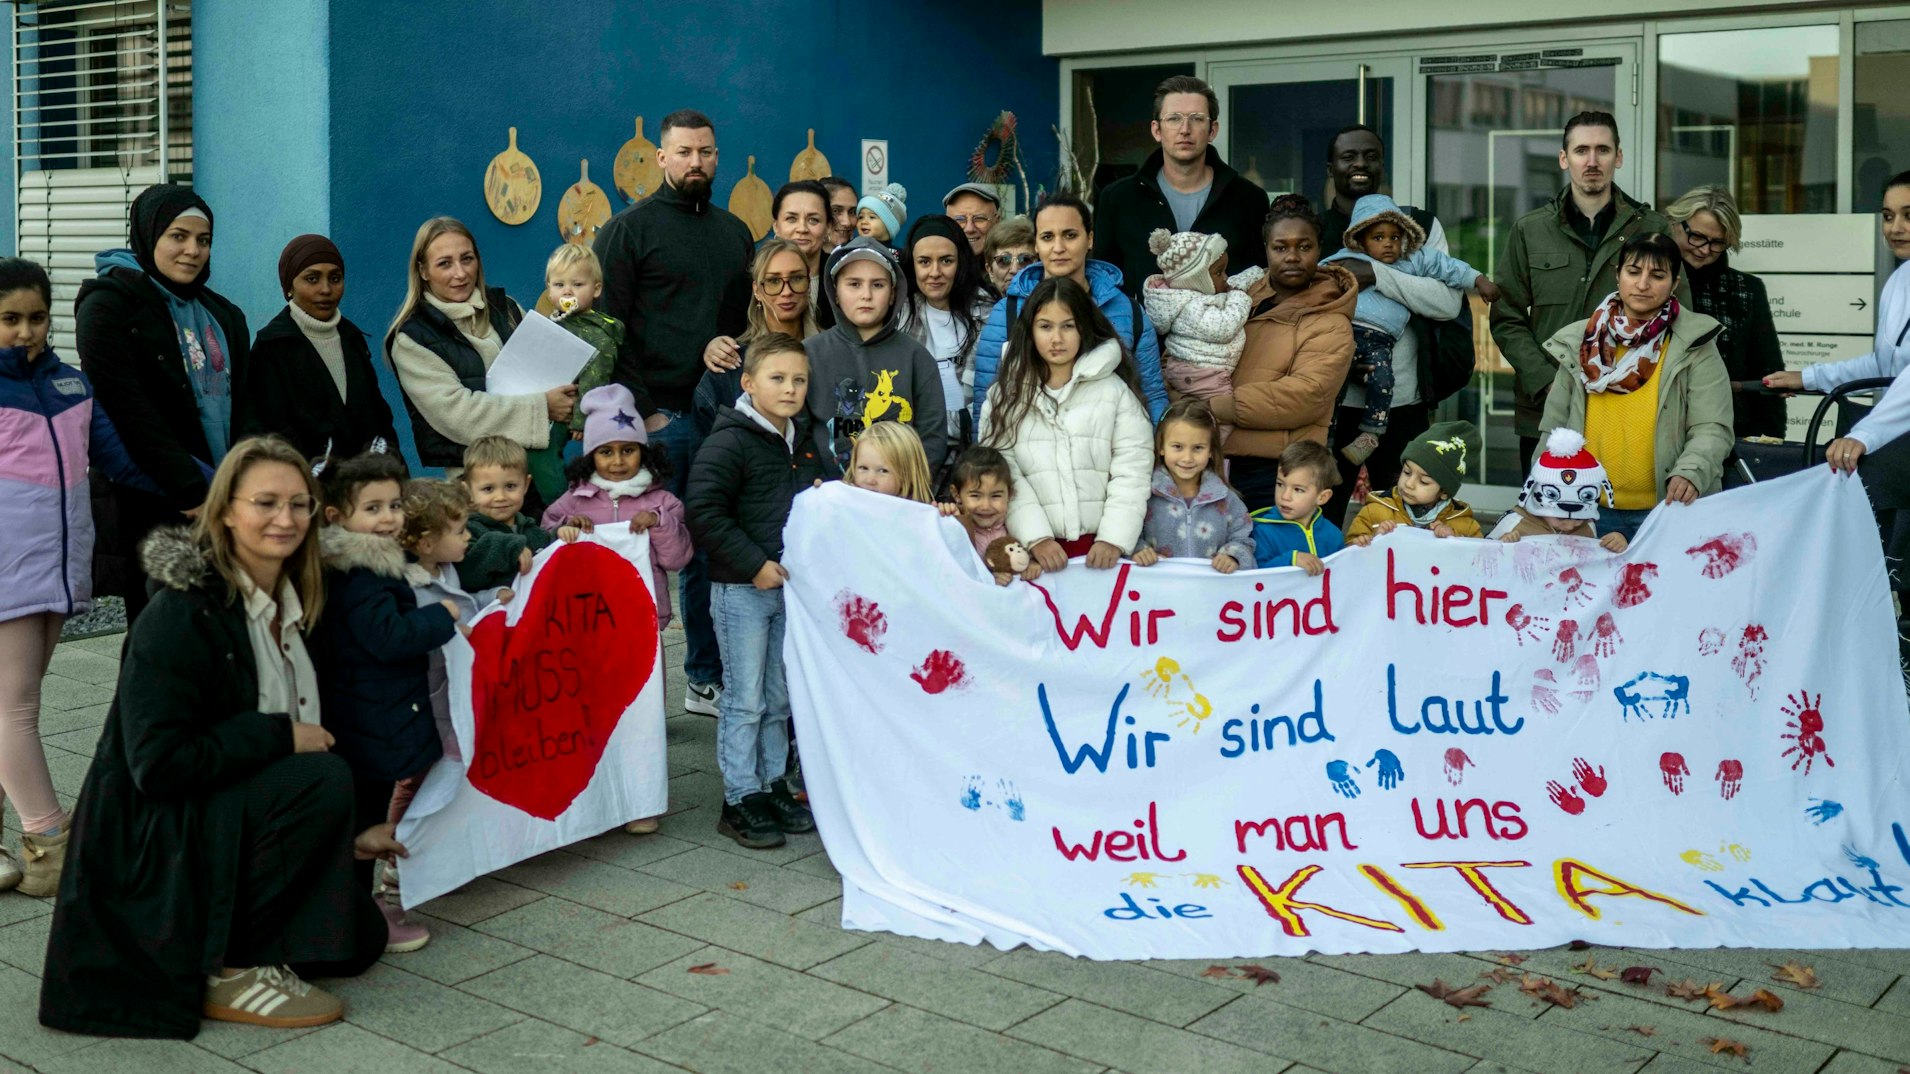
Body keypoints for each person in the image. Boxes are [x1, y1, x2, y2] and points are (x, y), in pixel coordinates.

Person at [41, 436, 394, 1038]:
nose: (285, 519)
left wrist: (351, 826)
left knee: (360, 943)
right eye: (265, 503)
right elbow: (157, 765)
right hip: (159, 826)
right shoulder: (181, 614)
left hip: (229, 798)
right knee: (317, 775)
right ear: (226, 509)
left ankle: (269, 929)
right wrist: (278, 736)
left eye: (299, 504)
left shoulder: (300, 597)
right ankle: (228, 967)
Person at [0, 257, 154, 896]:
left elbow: (121, 459)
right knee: (17, 707)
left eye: (36, 317)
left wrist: (214, 488)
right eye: (9, 319)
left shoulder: (72, 386)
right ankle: (50, 846)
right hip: (7, 574)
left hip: (60, 572)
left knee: (11, 704)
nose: (25, 331)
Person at [593, 108, 751, 718]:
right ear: (661, 158)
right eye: (683, 152)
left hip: (725, 417)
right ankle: (672, 684)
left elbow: (740, 324)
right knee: (670, 549)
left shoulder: (735, 233)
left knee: (716, 546)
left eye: (705, 152)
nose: (695, 162)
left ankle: (711, 674)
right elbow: (610, 330)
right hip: (662, 420)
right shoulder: (628, 231)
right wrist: (649, 413)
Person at [77, 184, 251, 622]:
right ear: (148, 234)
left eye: (203, 240)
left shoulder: (225, 315)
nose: (192, 250)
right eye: (178, 236)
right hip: (156, 500)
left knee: (226, 633)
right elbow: (130, 412)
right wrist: (190, 488)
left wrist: (245, 488)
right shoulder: (108, 308)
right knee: (161, 635)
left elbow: (247, 406)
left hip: (227, 498)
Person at [684, 334, 828, 850]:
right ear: (748, 383)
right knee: (744, 700)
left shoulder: (805, 438)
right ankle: (739, 797)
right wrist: (752, 565)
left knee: (778, 696)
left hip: (791, 592)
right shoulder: (729, 440)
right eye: (777, 378)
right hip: (741, 590)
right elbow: (703, 511)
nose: (790, 389)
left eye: (799, 380)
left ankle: (771, 786)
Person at [312, 451, 456, 953]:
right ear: (337, 516)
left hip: (364, 710)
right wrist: (443, 618)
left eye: (394, 505)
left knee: (363, 814)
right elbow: (388, 637)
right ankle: (357, 914)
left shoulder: (362, 564)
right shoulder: (362, 572)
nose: (389, 517)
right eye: (372, 508)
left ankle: (353, 907)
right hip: (368, 718)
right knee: (365, 818)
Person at [1768, 171, 1910, 650]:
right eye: (1888, 216)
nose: (1896, 228)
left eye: (1909, 216)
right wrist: (1806, 378)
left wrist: (1864, 435)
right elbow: (1885, 364)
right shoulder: (1900, 281)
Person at [540, 383, 689, 834]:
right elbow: (548, 535)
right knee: (589, 711)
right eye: (607, 451)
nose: (619, 460)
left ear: (644, 452)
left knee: (641, 714)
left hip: (640, 629)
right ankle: (595, 796)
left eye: (629, 449)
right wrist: (568, 527)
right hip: (586, 628)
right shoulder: (574, 501)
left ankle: (640, 800)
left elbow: (679, 558)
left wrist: (658, 526)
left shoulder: (662, 502)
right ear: (591, 456)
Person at [1493, 111, 1678, 464]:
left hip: (1627, 403)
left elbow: (1674, 315)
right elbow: (1507, 317)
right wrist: (1548, 381)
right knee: (1547, 515)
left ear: (1618, 157)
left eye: (1602, 150)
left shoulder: (1652, 228)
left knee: (1620, 513)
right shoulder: (1529, 230)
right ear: (1564, 159)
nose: (1592, 162)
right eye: (1581, 151)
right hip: (1546, 408)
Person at [1315, 125, 1475, 523]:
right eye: (1348, 156)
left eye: (1370, 156)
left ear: (1383, 164)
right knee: (1323, 517)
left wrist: (1376, 275)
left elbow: (1445, 302)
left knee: (1404, 521)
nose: (1360, 164)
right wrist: (1339, 360)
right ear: (1330, 167)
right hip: (1330, 402)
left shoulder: (1416, 226)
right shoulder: (1314, 232)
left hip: (1403, 401)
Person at [1537, 233, 1733, 544]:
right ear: (1618, 275)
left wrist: (1691, 472)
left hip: (1668, 511)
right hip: (1582, 512)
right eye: (1633, 272)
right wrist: (1537, 499)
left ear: (1674, 283)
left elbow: (1713, 427)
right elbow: (1554, 429)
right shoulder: (1581, 341)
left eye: (1657, 275)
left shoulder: (1696, 344)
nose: (1643, 284)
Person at [386, 216, 569, 502]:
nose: (460, 273)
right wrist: (543, 405)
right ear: (423, 271)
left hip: (533, 473)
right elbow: (459, 414)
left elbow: (543, 370)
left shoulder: (506, 309)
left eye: (467, 259)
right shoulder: (412, 338)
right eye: (444, 263)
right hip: (477, 488)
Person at [979, 276, 1153, 572]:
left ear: (1084, 328)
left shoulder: (1114, 392)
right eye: (1045, 326)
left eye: (1068, 326)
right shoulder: (1004, 397)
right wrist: (1036, 538)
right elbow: (1002, 471)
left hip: (1102, 553)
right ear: (1030, 330)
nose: (1056, 338)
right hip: (1032, 555)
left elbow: (1133, 467)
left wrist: (1113, 537)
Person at [1322, 194, 1499, 465]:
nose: (1389, 244)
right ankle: (1327, 439)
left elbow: (1447, 267)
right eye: (1378, 237)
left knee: (1382, 381)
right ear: (1359, 239)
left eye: (1395, 237)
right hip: (1345, 337)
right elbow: (1316, 281)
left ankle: (1370, 435)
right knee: (1333, 382)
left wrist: (1478, 279)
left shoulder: (1414, 260)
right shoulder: (1345, 259)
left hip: (1381, 342)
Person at [1213, 195, 1357, 513]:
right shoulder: (1240, 297)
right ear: (1266, 249)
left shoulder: (1331, 320)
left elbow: (1305, 396)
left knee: (1271, 559)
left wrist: (1213, 406)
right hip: (1214, 459)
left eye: (1304, 247)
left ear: (1320, 250)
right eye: (1281, 247)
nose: (1292, 256)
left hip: (1280, 473)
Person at [972, 194, 1169, 425]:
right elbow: (986, 402)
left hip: (1112, 454)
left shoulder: (1129, 312)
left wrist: (1151, 457)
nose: (1058, 247)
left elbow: (1152, 396)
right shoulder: (1008, 312)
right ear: (1036, 244)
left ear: (1090, 239)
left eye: (1070, 235)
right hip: (1029, 455)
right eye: (1047, 237)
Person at [1093, 74, 1270, 295]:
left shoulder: (1249, 200)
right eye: (1174, 118)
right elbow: (1103, 282)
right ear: (1157, 130)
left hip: (1226, 327)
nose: (1185, 129)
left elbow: (1260, 282)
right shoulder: (1118, 199)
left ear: (1212, 130)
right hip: (1140, 329)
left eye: (1196, 118)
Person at [244, 234, 398, 464]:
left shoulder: (353, 341)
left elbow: (379, 424)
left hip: (365, 489)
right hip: (306, 489)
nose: (326, 289)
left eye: (335, 278)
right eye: (312, 278)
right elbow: (274, 436)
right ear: (289, 287)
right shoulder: (271, 348)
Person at [806, 237, 948, 474]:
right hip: (829, 500)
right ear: (835, 292)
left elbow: (932, 440)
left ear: (893, 294)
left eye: (878, 285)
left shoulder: (917, 359)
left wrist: (905, 489)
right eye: (854, 284)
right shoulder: (808, 354)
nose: (866, 295)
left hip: (897, 502)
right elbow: (798, 436)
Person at [1662, 186, 1786, 438]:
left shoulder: (1746, 290)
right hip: (1657, 427)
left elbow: (1767, 372)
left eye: (1717, 242)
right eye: (1696, 236)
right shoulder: (1649, 283)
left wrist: (1770, 442)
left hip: (1727, 430)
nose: (1705, 250)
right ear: (1675, 223)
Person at [695, 239, 821, 442]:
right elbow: (705, 458)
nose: (786, 291)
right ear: (756, 290)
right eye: (773, 281)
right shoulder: (731, 364)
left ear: (808, 284)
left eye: (796, 278)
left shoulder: (831, 353)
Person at [896, 214, 990, 471]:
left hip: (974, 457)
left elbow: (991, 403)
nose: (935, 272)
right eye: (924, 262)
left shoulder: (991, 316)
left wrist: (931, 425)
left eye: (946, 261)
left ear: (960, 263)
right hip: (909, 457)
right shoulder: (896, 315)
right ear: (912, 265)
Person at [1141, 229, 1250, 444]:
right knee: (1218, 424)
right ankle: (1204, 461)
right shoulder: (1190, 307)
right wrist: (1240, 296)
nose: (1226, 278)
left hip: (1191, 370)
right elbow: (1223, 326)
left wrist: (1253, 274)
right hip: (1203, 375)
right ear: (1196, 281)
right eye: (1219, 273)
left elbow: (1228, 283)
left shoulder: (1184, 298)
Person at [1131, 399, 1253, 573]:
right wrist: (1138, 551)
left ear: (1211, 450)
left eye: (1197, 448)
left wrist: (1232, 556)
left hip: (1208, 595)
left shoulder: (1226, 499)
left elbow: (1245, 539)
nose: (1187, 458)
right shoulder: (1144, 493)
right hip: (1156, 593)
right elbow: (1126, 532)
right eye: (1178, 447)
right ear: (1161, 447)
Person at [1491, 427, 1630, 552]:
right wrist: (1501, 542)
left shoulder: (1588, 526)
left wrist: (1620, 540)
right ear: (1539, 502)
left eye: (1578, 518)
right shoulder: (1514, 522)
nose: (1570, 526)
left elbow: (1603, 565)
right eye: (1560, 518)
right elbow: (1481, 552)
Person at [1344, 420, 1486, 543]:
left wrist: (1454, 539)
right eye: (1407, 472)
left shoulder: (1465, 526)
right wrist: (1374, 540)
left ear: (1444, 492)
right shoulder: (1374, 511)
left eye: (1423, 481)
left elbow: (1479, 560)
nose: (1409, 484)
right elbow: (1351, 550)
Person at [455, 435, 551, 603]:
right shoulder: (465, 532)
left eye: (510, 486)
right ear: (468, 491)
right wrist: (506, 548)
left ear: (526, 485)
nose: (500, 497)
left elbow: (552, 555)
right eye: (488, 489)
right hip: (493, 623)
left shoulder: (533, 530)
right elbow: (467, 575)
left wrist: (564, 534)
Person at [544, 243, 625, 440]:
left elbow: (595, 381)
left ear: (596, 289)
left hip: (572, 424)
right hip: (542, 412)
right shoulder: (550, 323)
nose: (567, 292)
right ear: (549, 290)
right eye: (559, 285)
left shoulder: (598, 335)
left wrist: (582, 420)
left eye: (577, 284)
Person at [1249, 440, 1343, 574]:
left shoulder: (1334, 535)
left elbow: (1342, 577)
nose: (1285, 496)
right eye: (1280, 484)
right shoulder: (1263, 532)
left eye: (1298, 489)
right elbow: (1252, 578)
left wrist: (1355, 550)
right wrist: (1291, 560)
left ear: (1322, 497)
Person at [946, 445, 1030, 571]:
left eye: (995, 496)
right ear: (956, 494)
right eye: (975, 495)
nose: (986, 506)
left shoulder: (1016, 525)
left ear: (1010, 494)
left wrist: (1032, 565)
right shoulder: (953, 523)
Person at [843, 420, 937, 503]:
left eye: (883, 471)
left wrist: (947, 514)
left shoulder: (919, 515)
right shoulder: (841, 503)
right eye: (863, 468)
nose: (870, 480)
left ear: (907, 474)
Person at [982, 214, 1038, 297]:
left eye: (1025, 260)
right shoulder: (976, 308)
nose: (1014, 270)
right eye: (1004, 260)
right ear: (990, 271)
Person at [944, 182, 1003, 257]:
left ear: (996, 222)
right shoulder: (935, 266)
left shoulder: (1013, 265)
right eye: (960, 219)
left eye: (979, 219)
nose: (969, 229)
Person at [820, 176, 859, 252]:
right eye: (835, 211)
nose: (847, 222)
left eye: (852, 212)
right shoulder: (796, 260)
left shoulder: (863, 259)